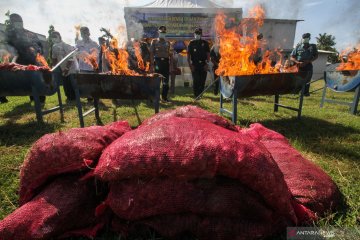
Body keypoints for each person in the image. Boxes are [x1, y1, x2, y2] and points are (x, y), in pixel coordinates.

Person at [5, 13, 46, 103]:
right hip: (20, 61)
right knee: (26, 81)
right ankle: (32, 97)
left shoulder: (29, 33)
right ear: (12, 23)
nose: (18, 23)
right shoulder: (11, 34)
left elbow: (39, 46)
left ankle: (40, 98)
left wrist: (38, 53)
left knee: (36, 79)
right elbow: (9, 47)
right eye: (15, 22)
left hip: (33, 60)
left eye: (19, 21)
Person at [51, 31, 78, 102]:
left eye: (55, 36)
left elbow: (71, 57)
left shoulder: (65, 45)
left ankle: (75, 98)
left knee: (72, 83)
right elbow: (54, 58)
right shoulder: (54, 47)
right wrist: (53, 67)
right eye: (52, 37)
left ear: (59, 37)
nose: (54, 38)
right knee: (65, 83)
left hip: (71, 67)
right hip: (62, 68)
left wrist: (67, 68)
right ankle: (69, 97)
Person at [149, 26, 173, 102]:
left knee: (165, 82)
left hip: (166, 63)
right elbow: (152, 54)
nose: (162, 33)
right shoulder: (154, 41)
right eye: (161, 32)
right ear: (158, 32)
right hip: (157, 63)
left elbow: (171, 55)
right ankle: (155, 97)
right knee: (156, 81)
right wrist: (152, 65)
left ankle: (164, 98)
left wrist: (171, 66)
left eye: (164, 32)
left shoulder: (168, 42)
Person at [75, 27, 99, 102]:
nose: (84, 34)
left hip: (92, 68)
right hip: (82, 67)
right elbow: (75, 53)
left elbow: (98, 55)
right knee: (85, 83)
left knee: (93, 83)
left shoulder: (94, 44)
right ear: (81, 34)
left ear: (89, 33)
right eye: (82, 33)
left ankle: (94, 97)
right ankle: (88, 97)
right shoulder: (78, 43)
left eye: (86, 32)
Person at [187, 27, 210, 98]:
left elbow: (208, 55)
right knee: (196, 80)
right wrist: (190, 65)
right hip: (194, 64)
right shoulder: (191, 43)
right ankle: (196, 94)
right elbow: (188, 55)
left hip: (203, 64)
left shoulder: (205, 43)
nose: (197, 34)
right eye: (196, 33)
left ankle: (200, 94)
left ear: (201, 34)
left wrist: (207, 64)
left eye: (199, 33)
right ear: (194, 34)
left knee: (202, 80)